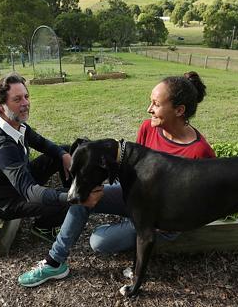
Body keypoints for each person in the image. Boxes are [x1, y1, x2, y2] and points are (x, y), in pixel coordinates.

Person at [18, 71, 216, 287]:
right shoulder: (148, 128)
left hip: (160, 222)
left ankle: (135, 233)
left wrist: (165, 223)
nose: (149, 109)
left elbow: (202, 205)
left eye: (156, 104)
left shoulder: (200, 152)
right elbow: (135, 170)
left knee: (99, 241)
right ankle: (54, 262)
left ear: (179, 110)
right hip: (135, 198)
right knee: (85, 197)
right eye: (150, 102)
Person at [0, 72, 73, 242]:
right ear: (0, 106)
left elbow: (43, 144)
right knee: (64, 200)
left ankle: (70, 198)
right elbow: (28, 190)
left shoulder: (16, 124)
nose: (25, 104)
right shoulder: (1, 145)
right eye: (17, 100)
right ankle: (43, 227)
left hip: (20, 181)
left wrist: (64, 155)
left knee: (63, 151)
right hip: (7, 201)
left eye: (26, 97)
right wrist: (67, 196)